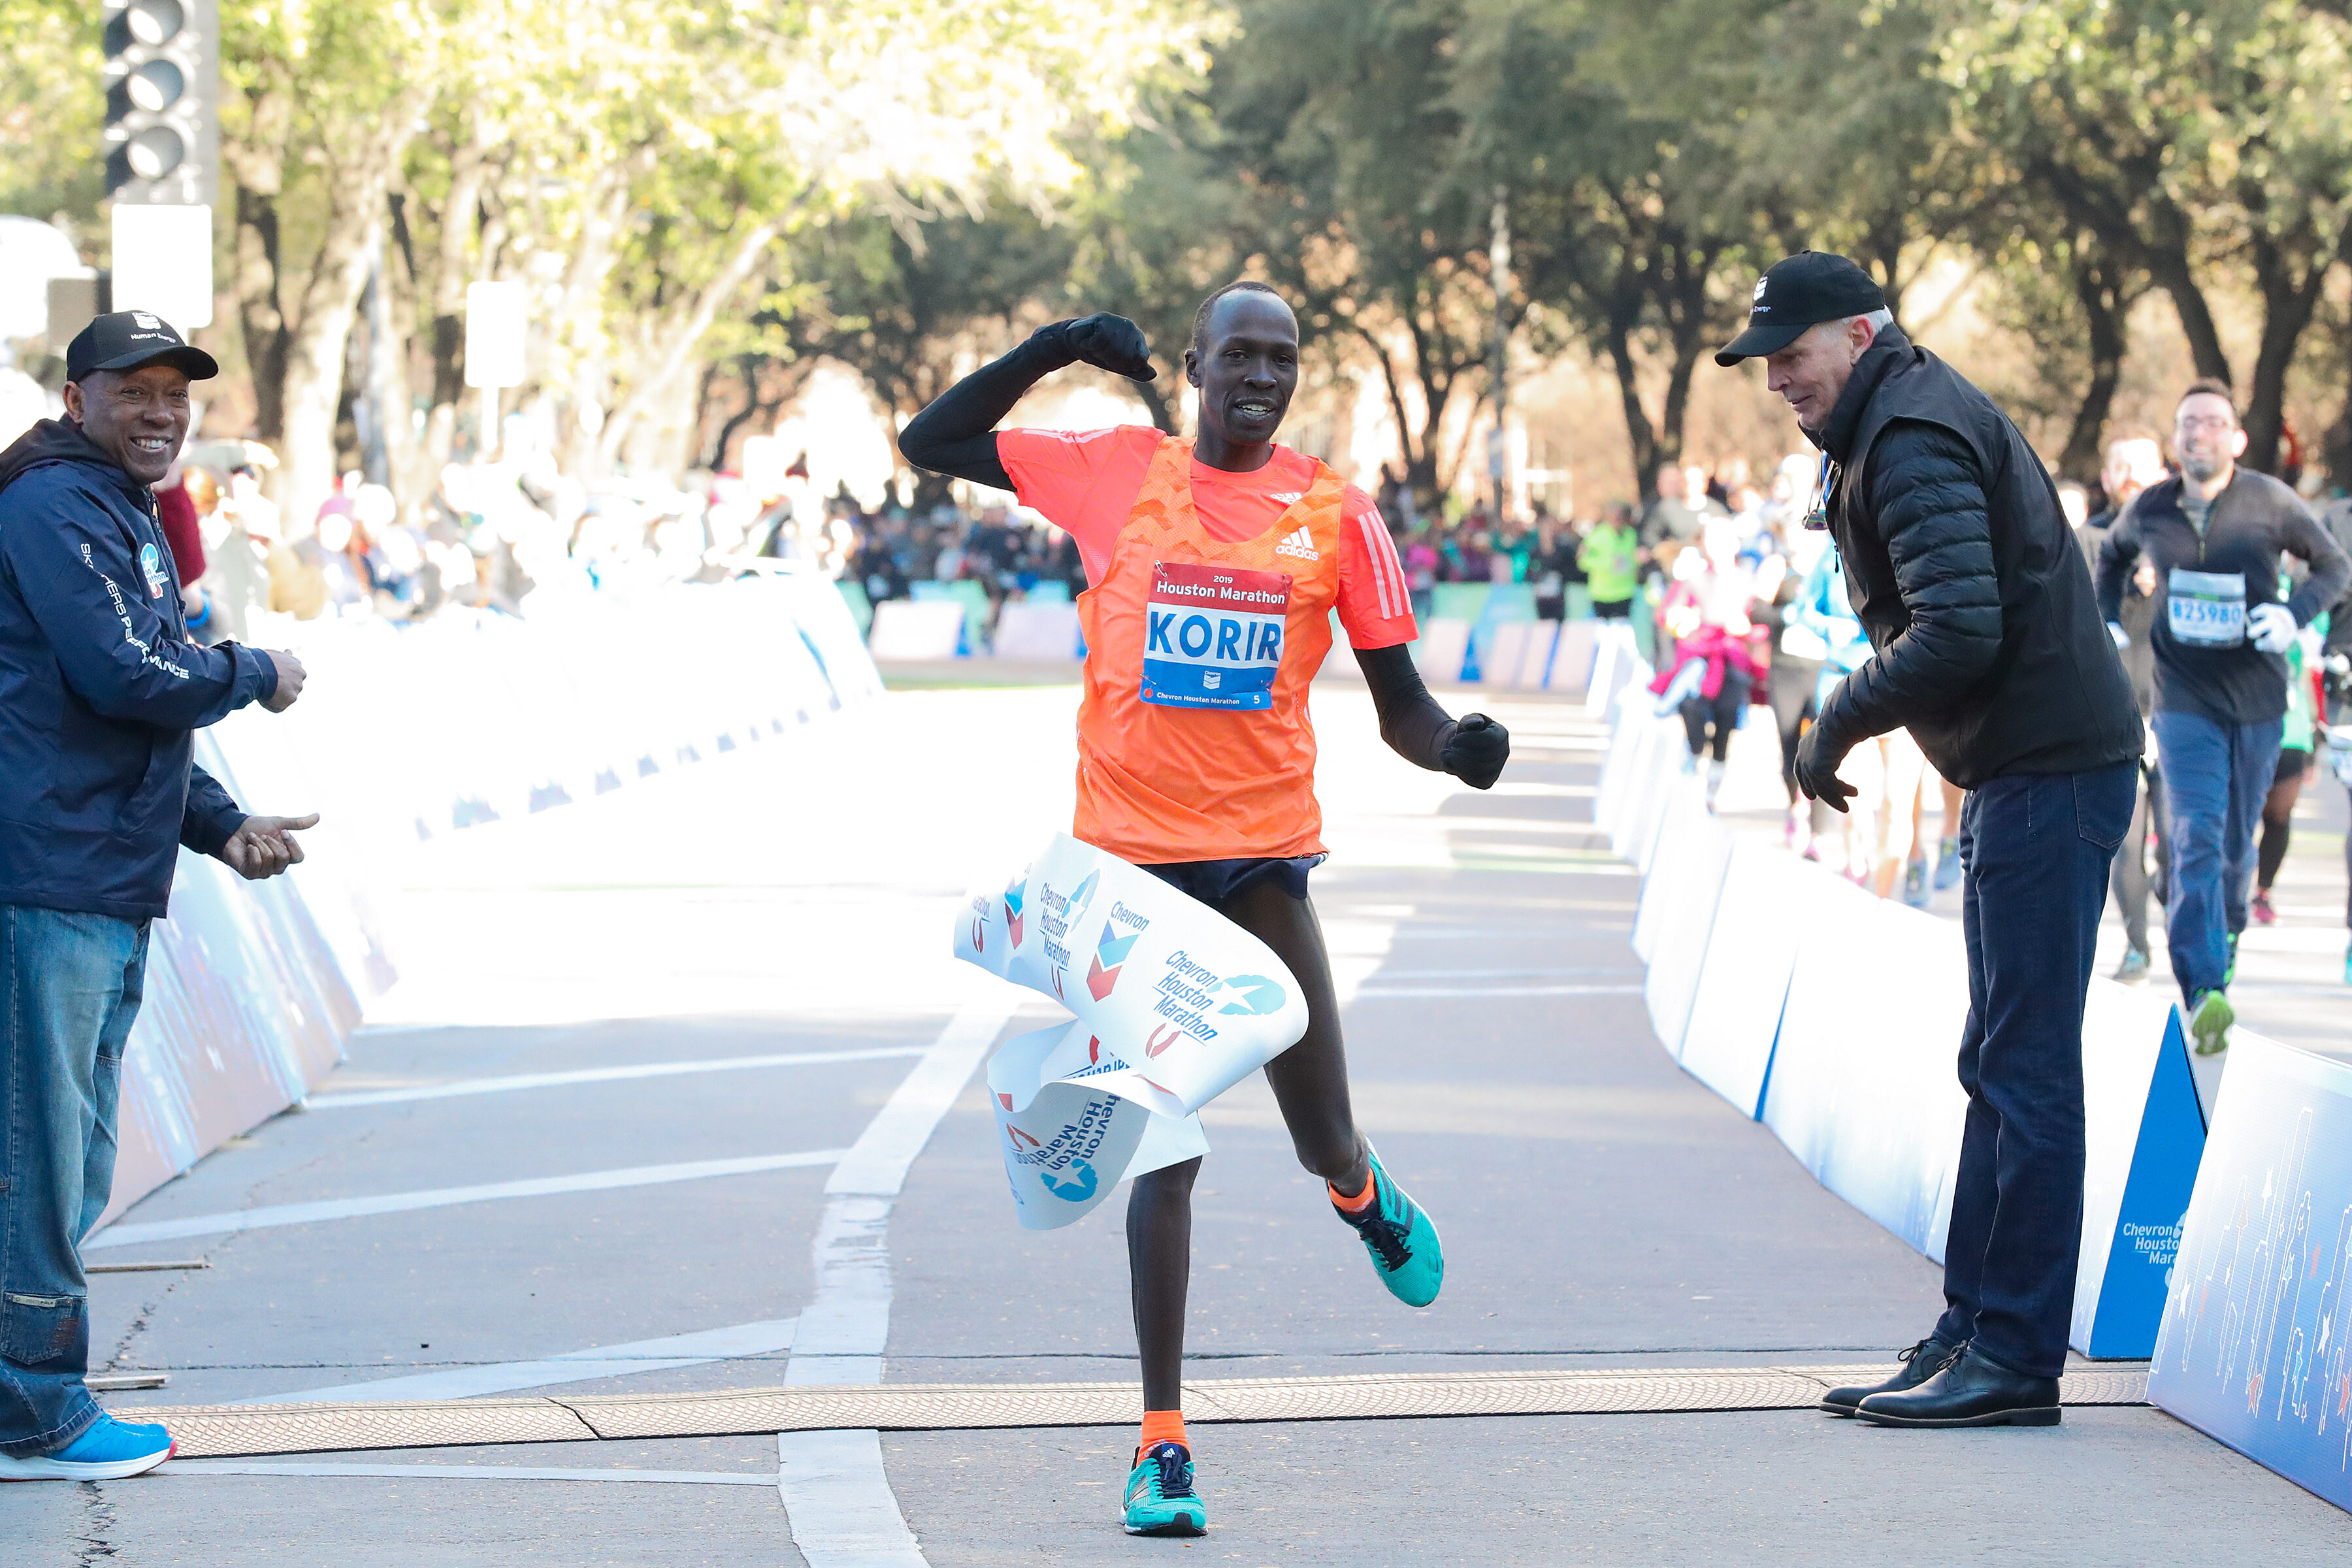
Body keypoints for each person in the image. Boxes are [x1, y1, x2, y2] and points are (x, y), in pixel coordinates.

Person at [900, 284, 1509, 1537]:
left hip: (1261, 871)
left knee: (1321, 1137)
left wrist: (1457, 747)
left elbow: (1401, 705)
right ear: (1193, 367)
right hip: (1128, 884)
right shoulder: (1118, 473)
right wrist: (1060, 346)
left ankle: (1359, 1193)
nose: (1262, 377)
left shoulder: (1338, 517)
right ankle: (1161, 1444)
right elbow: (932, 441)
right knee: (1162, 1152)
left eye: (1283, 359)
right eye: (1240, 355)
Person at [1721, 252, 2142, 1428]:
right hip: (2029, 766)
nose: (1777, 380)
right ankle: (1973, 1334)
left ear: (1860, 336)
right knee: (1998, 1065)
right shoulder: (1889, 417)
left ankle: (2015, 1359)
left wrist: (1835, 720)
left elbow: (1958, 630)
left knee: (2027, 1072)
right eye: (1766, 361)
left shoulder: (1908, 435)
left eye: (1791, 355)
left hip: (2051, 770)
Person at [0, 313, 316, 1482]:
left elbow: (131, 703)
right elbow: (125, 674)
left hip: (95, 876)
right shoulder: (51, 503)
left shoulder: (112, 504)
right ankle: (35, 1411)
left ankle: (25, 1399)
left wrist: (221, 824)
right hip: (46, 876)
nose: (160, 412)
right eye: (133, 390)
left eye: (176, 394)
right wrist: (255, 672)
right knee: (39, 1160)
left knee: (68, 1154)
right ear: (75, 399)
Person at [2096, 382, 2351, 1053]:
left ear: (2236, 439)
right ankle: (2203, 988)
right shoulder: (2152, 507)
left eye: (2213, 422)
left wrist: (2293, 617)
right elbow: (2111, 557)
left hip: (2259, 703)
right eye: (2188, 423)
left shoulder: (2270, 501)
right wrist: (2107, 621)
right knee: (2194, 836)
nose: (2199, 432)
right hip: (2185, 702)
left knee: (2237, 845)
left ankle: (2228, 928)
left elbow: (2335, 567)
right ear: (2176, 440)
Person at [2075, 436, 2170, 980]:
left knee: (2180, 846)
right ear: (2107, 477)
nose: (2132, 476)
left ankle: (2178, 902)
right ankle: (2138, 946)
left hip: (2177, 715)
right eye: (2121, 466)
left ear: (2161, 474)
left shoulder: (2180, 540)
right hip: (2113, 720)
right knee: (2125, 845)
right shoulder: (2086, 541)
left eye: (2143, 467)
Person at [1650, 515, 1763, 805]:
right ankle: (1694, 770)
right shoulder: (1692, 579)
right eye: (1710, 539)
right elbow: (1667, 614)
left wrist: (1747, 629)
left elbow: (1762, 622)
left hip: (1732, 662)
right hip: (1696, 663)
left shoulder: (1747, 581)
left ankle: (1713, 787)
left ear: (1735, 544)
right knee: (1692, 713)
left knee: (1726, 723)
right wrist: (1683, 620)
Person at [2250, 589, 2328, 926]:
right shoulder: (2251, 588)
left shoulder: (2306, 600)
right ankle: (2227, 887)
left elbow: (2312, 674)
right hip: (2248, 722)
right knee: (2240, 813)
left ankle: (2263, 891)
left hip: (2292, 729)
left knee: (2279, 814)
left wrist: (2315, 742)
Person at [1578, 502, 1640, 619]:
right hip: (1602, 594)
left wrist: (1636, 560)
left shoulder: (1631, 534)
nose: (1617, 520)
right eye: (1614, 516)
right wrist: (1609, 563)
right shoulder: (1597, 536)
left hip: (1625, 592)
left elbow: (1633, 558)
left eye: (1620, 516)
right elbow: (1583, 561)